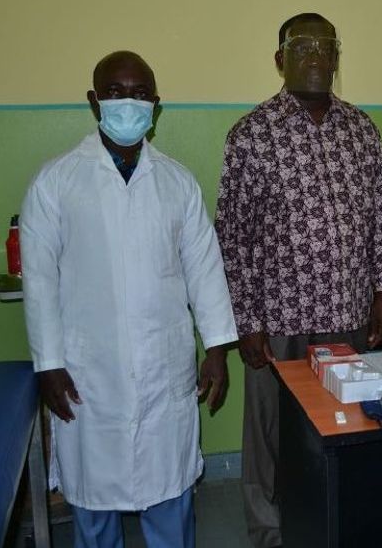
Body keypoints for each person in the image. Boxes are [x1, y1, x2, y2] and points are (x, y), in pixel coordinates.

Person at [20, 51, 238, 548]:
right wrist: (48, 364)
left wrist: (219, 348)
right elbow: (39, 282)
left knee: (170, 492)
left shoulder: (177, 183)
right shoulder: (56, 182)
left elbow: (204, 269)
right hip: (87, 369)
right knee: (93, 501)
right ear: (94, 101)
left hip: (165, 365)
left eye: (140, 93)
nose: (128, 103)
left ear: (156, 105)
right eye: (116, 93)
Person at [215, 12, 382, 548]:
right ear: (280, 60)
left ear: (337, 59)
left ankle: (342, 523)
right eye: (303, 47)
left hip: (347, 314)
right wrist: (245, 322)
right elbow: (233, 237)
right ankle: (270, 535)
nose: (317, 57)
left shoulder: (362, 130)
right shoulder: (252, 134)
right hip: (278, 322)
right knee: (270, 439)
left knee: (346, 427)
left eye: (327, 48)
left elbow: (379, 221)